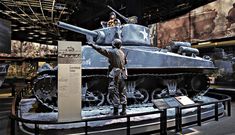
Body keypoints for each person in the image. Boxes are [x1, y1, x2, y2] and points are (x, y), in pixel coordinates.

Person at [88, 39, 127, 115]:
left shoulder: (113, 51)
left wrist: (93, 45)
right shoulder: (122, 52)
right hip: (122, 73)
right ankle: (124, 110)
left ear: (114, 44)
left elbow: (101, 50)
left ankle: (116, 111)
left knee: (114, 91)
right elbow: (125, 62)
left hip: (115, 74)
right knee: (122, 92)